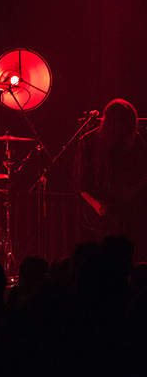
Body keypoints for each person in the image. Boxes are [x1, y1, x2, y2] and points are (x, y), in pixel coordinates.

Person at [77, 99, 147, 258]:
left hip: (130, 214)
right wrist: (95, 204)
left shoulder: (135, 140)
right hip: (100, 212)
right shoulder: (88, 141)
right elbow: (81, 181)